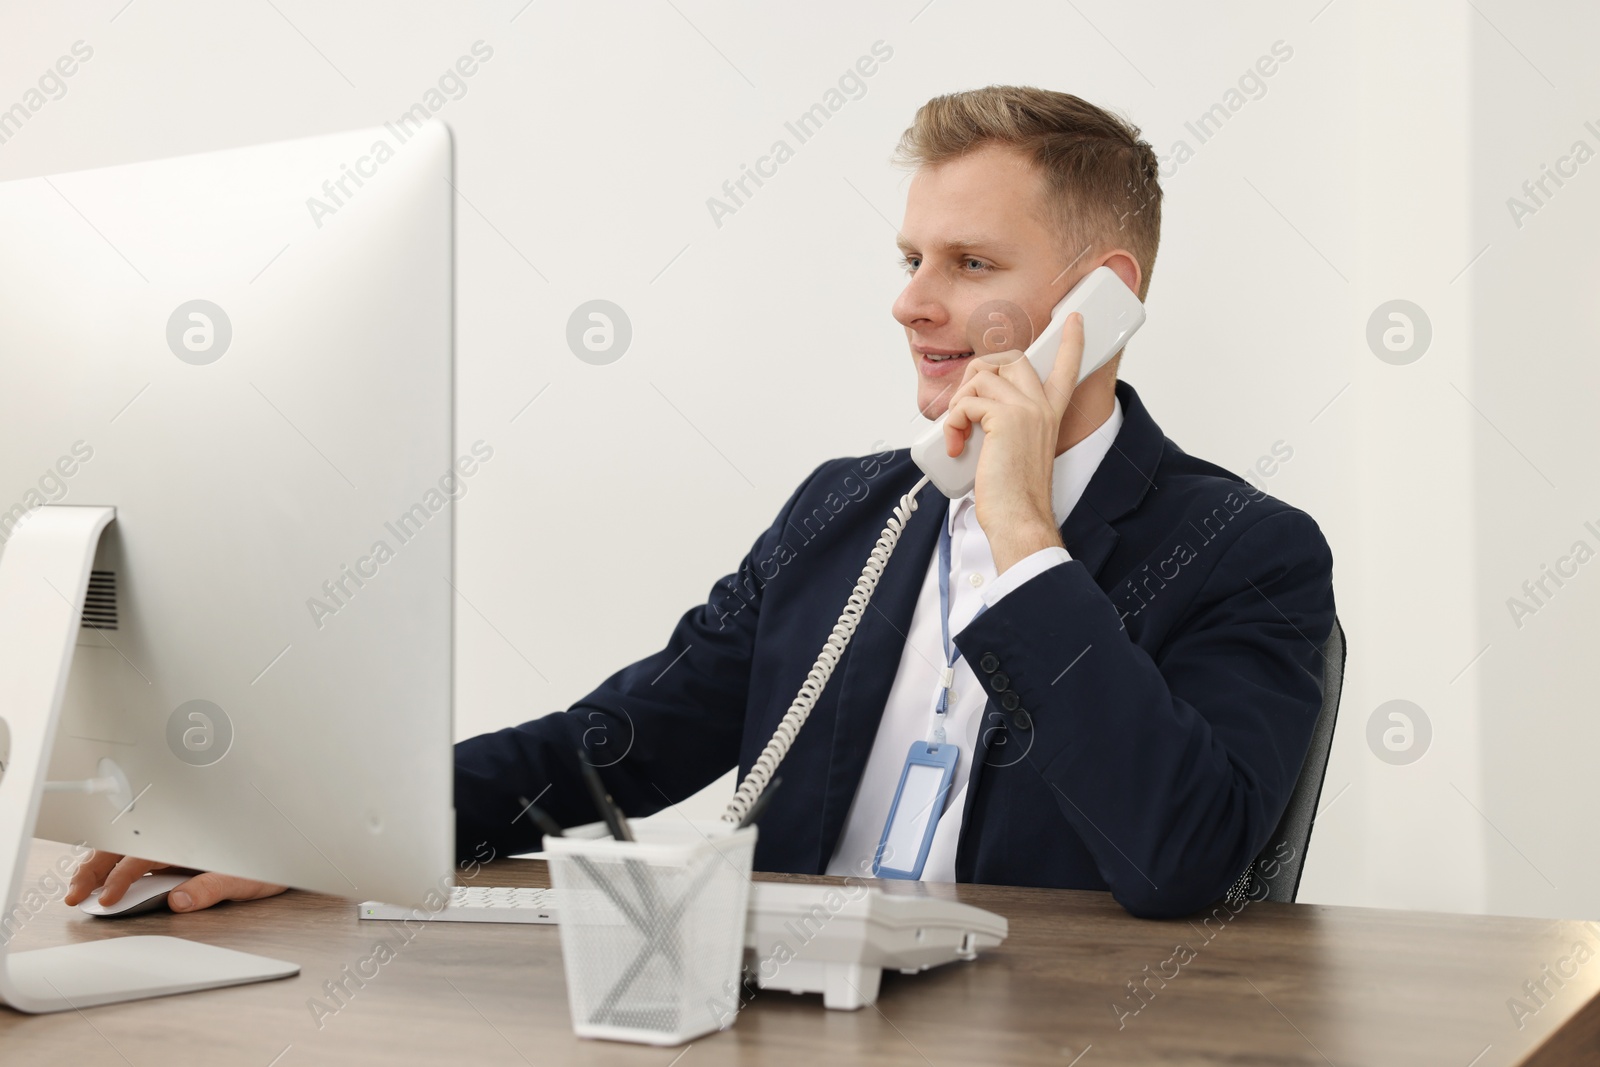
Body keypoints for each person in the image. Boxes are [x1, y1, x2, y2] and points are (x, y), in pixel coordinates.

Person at [69, 86, 1335, 920]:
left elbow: (1188, 861)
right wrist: (324, 830)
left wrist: (1023, 536)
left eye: (970, 263)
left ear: (1100, 296)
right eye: (908, 259)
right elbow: (614, 743)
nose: (909, 301)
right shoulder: (848, 512)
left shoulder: (1245, 552)